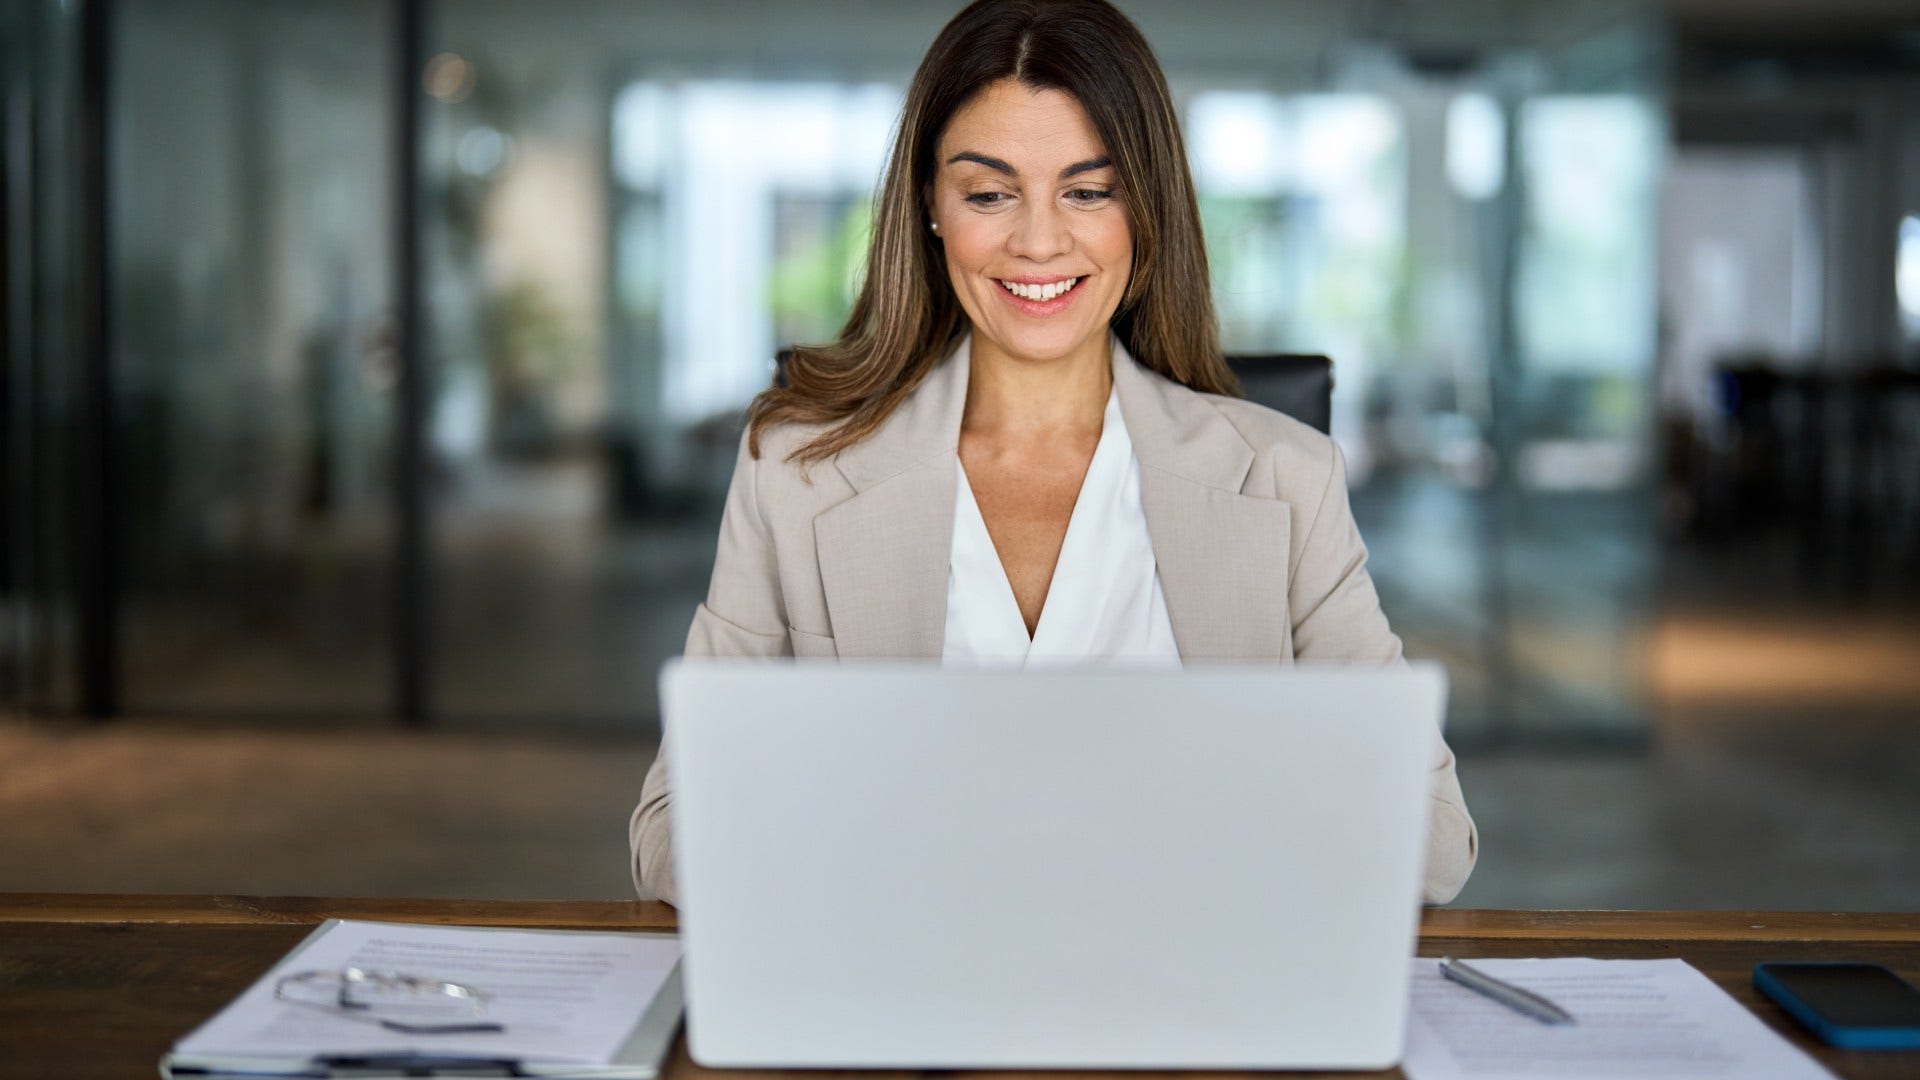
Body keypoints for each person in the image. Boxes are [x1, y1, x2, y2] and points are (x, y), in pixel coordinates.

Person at [631, 0, 1477, 906]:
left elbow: (1430, 842)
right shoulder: (793, 473)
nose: (1039, 241)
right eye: (989, 193)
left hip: (1189, 1014)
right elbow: (671, 839)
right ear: (930, 204)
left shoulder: (1285, 478)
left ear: (1145, 207)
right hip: (899, 1009)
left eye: (1089, 190)